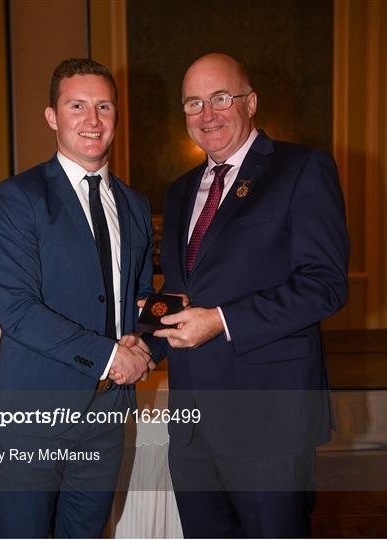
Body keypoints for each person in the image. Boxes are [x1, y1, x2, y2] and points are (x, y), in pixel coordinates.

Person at [147, 53, 350, 538]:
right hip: (193, 422)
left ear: (251, 101)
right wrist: (144, 337)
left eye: (220, 98)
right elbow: (182, 294)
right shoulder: (178, 192)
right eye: (193, 103)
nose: (206, 114)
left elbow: (324, 284)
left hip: (269, 422)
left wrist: (221, 320)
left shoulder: (302, 168)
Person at [0, 58, 154, 538]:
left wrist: (145, 348)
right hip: (32, 414)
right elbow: (17, 311)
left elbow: (139, 298)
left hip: (106, 416)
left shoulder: (135, 205)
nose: (92, 120)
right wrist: (108, 357)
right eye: (77, 106)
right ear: (52, 117)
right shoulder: (18, 198)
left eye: (104, 106)